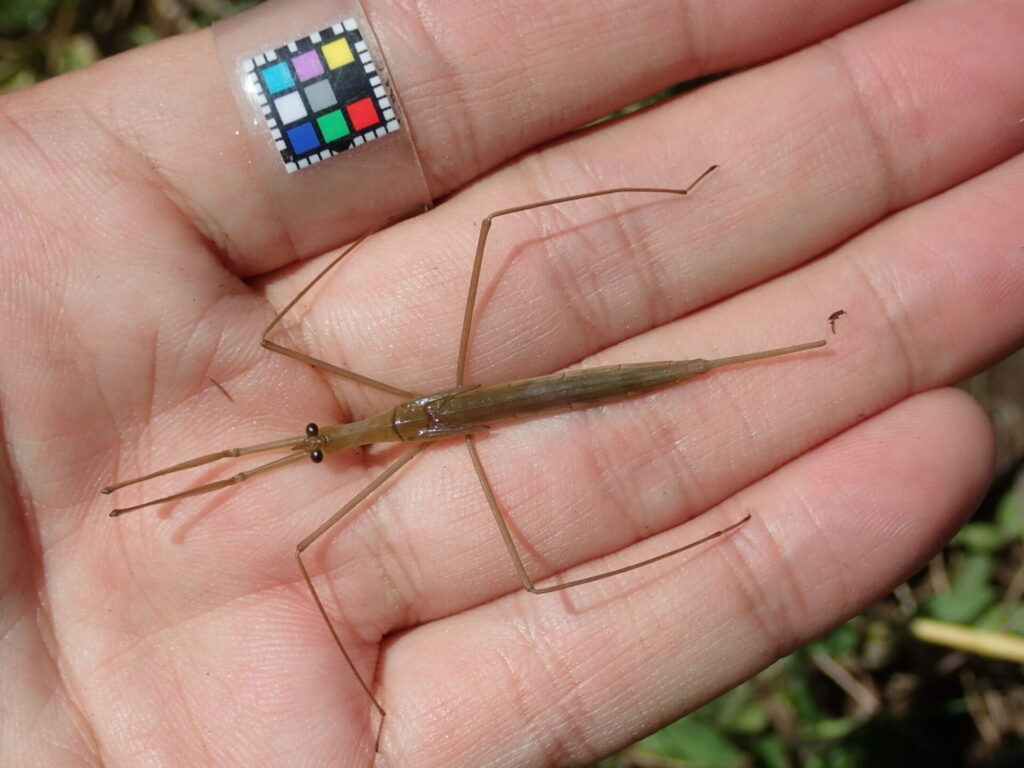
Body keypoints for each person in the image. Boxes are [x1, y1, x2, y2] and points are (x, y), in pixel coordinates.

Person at [1, 0, 1020, 765]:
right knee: (519, 566)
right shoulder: (354, 440)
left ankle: (756, 299)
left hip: (496, 398)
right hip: (460, 411)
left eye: (313, 444)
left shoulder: (361, 430)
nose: (309, 446)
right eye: (316, 448)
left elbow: (292, 480)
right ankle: (787, 371)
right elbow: (278, 480)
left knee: (509, 249)